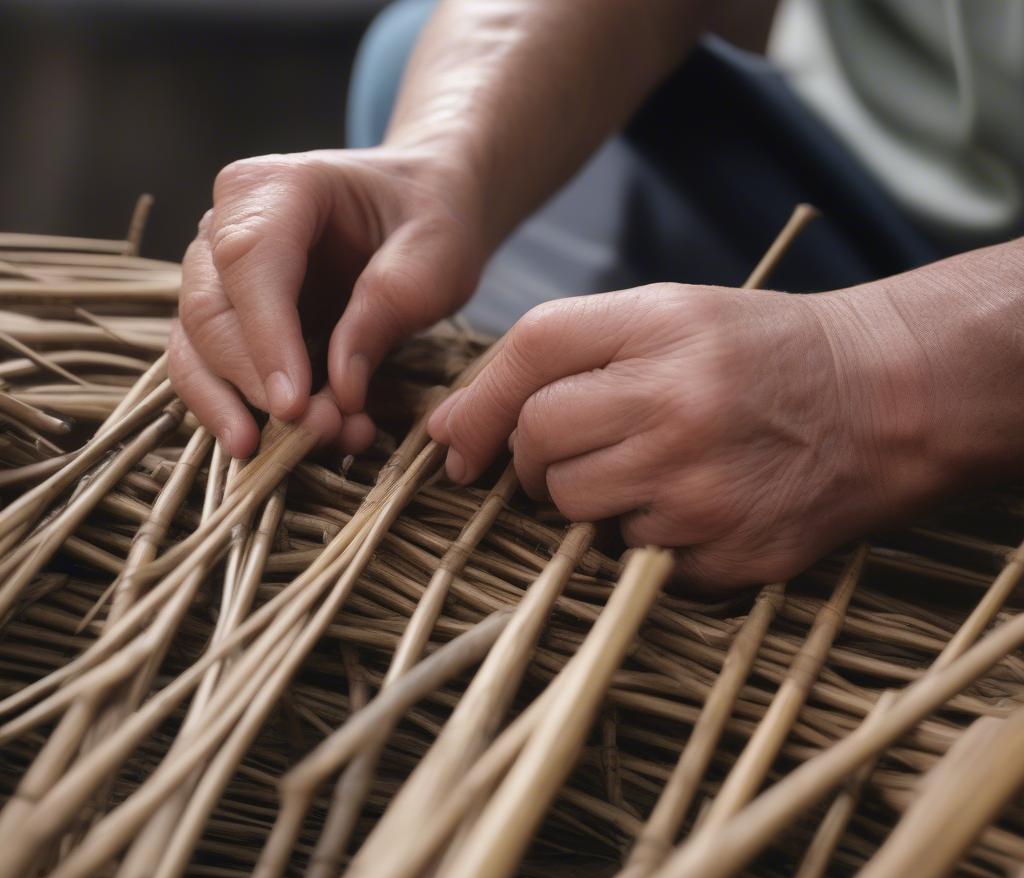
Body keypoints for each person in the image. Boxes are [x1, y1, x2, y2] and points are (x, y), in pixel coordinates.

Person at [168, 0, 1024, 590]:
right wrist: (438, 159)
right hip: (874, 186)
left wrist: (881, 372)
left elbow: (885, 365)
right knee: (415, 64)